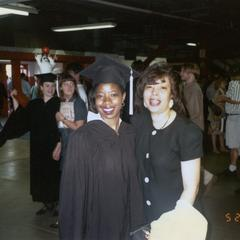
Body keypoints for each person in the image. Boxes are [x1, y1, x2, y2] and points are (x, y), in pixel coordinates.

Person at [59, 56, 145, 240]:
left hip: (128, 222)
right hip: (96, 225)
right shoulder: (82, 138)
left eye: (113, 94)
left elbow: (137, 184)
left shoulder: (132, 134)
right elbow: (72, 196)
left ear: (123, 97)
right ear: (94, 99)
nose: (106, 102)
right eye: (100, 95)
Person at [132, 64, 206, 238]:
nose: (154, 93)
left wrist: (169, 226)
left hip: (175, 218)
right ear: (143, 95)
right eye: (149, 87)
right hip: (143, 217)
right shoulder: (137, 124)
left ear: (172, 96)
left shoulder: (187, 132)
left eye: (162, 88)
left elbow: (191, 188)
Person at [0, 73, 61, 215]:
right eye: (47, 86)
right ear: (41, 87)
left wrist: (60, 143)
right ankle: (46, 203)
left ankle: (56, 203)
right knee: (39, 174)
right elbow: (22, 119)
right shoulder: (35, 104)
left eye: (52, 86)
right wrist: (15, 101)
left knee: (53, 174)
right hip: (38, 146)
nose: (50, 89)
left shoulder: (60, 103)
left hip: (54, 145)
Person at [54, 73, 88, 170]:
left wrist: (63, 119)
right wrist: (59, 145)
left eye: (72, 84)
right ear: (60, 87)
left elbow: (78, 127)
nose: (69, 87)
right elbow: (61, 128)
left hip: (76, 147)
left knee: (72, 176)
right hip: (66, 143)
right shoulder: (62, 102)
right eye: (66, 84)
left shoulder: (78, 103)